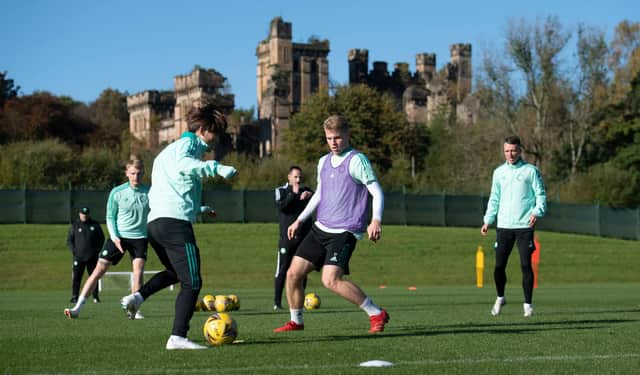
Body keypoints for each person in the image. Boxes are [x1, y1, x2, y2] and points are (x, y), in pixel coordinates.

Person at [120, 101, 237, 350]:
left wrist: (199, 209)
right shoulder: (187, 147)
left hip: (156, 223)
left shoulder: (168, 151)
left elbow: (174, 186)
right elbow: (187, 168)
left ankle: (137, 297)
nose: (214, 141)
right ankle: (177, 337)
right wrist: (216, 167)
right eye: (215, 134)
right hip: (174, 224)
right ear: (204, 129)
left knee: (175, 272)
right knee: (192, 282)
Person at [274, 114, 389, 334]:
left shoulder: (357, 160)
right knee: (293, 274)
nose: (333, 142)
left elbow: (376, 191)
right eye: (329, 138)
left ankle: (376, 313)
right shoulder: (323, 162)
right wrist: (299, 220)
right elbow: (319, 195)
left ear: (347, 135)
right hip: (320, 228)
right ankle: (296, 321)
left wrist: (376, 220)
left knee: (331, 280)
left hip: (345, 232)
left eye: (337, 137)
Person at [64, 159, 150, 319]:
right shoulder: (117, 192)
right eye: (132, 173)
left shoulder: (150, 192)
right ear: (126, 173)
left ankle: (135, 310)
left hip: (140, 238)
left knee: (138, 272)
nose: (135, 177)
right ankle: (77, 308)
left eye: (139, 174)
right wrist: (114, 236)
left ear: (143, 173)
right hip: (118, 237)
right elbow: (110, 217)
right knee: (98, 272)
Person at [481, 135, 546, 318]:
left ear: (520, 150)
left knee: (526, 265)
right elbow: (494, 198)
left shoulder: (530, 171)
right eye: (507, 151)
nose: (510, 154)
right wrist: (488, 220)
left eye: (513, 150)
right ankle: (500, 297)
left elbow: (540, 195)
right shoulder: (498, 173)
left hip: (525, 226)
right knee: (499, 267)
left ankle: (527, 304)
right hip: (504, 227)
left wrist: (537, 212)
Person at [273, 166, 313, 310]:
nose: (298, 180)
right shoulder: (281, 191)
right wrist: (293, 194)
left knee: (302, 270)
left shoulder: (306, 191)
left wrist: (310, 195)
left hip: (304, 238)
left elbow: (319, 200)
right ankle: (277, 303)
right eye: (295, 177)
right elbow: (282, 207)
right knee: (282, 269)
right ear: (289, 177)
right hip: (287, 238)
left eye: (300, 177)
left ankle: (299, 303)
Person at [67, 206, 105, 304]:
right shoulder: (75, 225)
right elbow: (70, 240)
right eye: (83, 214)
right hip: (79, 257)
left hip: (92, 257)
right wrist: (74, 251)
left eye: (86, 214)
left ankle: (95, 297)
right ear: (79, 214)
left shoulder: (95, 225)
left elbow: (101, 239)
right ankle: (75, 296)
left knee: (94, 277)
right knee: (77, 278)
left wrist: (97, 250)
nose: (84, 216)